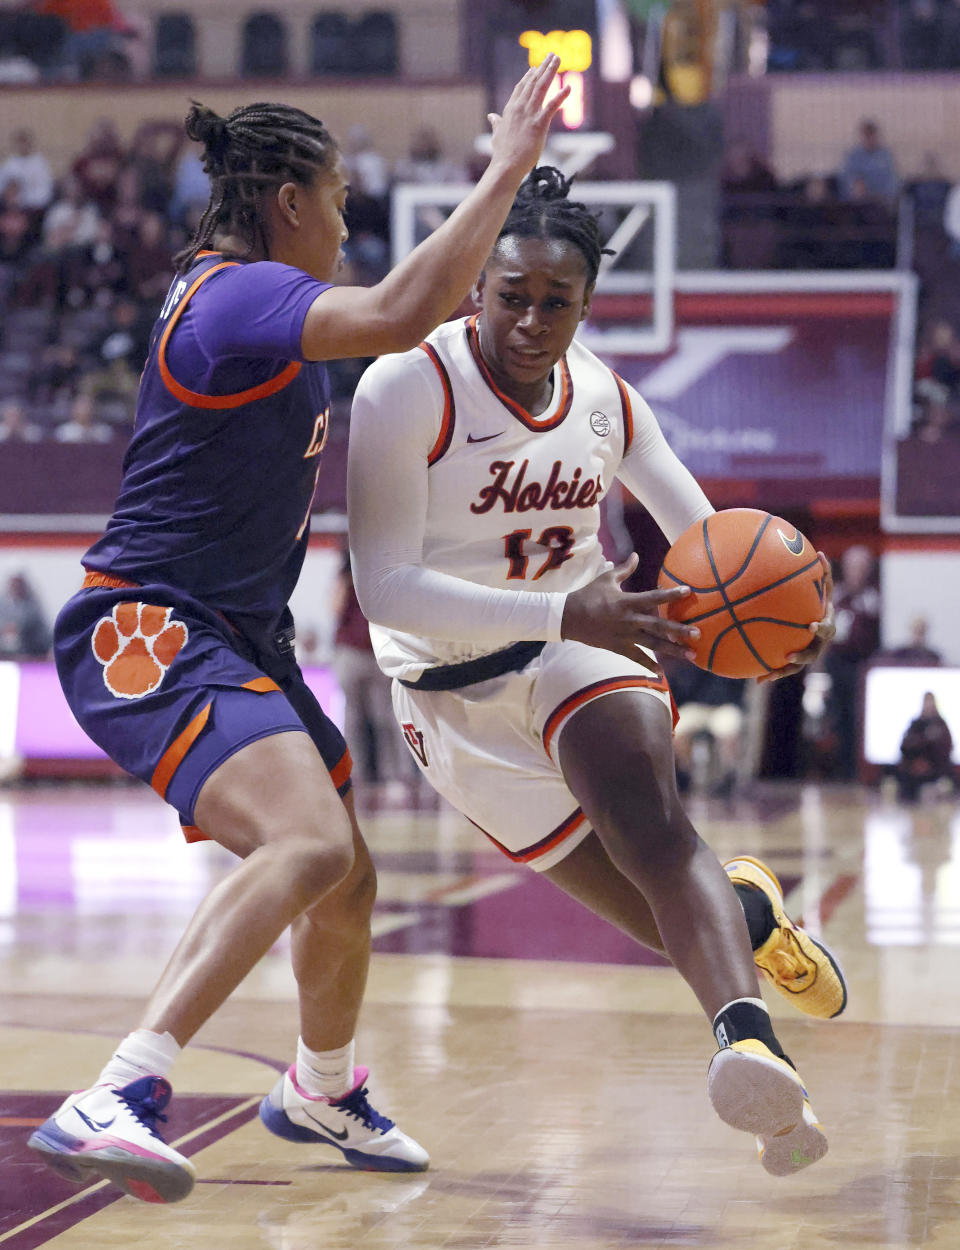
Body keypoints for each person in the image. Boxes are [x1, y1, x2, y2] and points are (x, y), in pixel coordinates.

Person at [28, 60, 571, 1204]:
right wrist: (506, 168)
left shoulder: (242, 301)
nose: (342, 224)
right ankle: (121, 1088)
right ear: (287, 204)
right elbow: (400, 312)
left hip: (234, 632)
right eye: (335, 202)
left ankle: (320, 1086)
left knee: (349, 880)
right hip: (150, 623)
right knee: (310, 846)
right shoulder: (238, 295)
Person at [347, 166, 844, 1179]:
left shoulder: (610, 401)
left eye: (557, 301)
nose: (532, 318)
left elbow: (708, 539)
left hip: (583, 642)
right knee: (671, 918)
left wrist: (786, 618)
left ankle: (754, 1051)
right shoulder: (405, 386)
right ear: (476, 286)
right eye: (512, 294)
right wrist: (562, 607)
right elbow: (385, 590)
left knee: (650, 822)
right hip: (449, 703)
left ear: (586, 304)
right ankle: (746, 909)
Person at [330, 546, 413, 796]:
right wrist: (344, 580)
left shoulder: (386, 577)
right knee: (356, 717)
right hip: (353, 653)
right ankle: (357, 775)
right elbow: (334, 608)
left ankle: (396, 776)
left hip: (380, 653)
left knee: (385, 717)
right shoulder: (347, 576)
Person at [822, 544, 880, 780]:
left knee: (859, 718)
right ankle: (840, 769)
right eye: (851, 567)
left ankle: (859, 771)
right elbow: (824, 635)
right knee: (837, 716)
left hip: (861, 667)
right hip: (836, 664)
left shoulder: (872, 599)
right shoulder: (836, 596)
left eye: (860, 568)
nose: (855, 572)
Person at [896, 691, 955, 802]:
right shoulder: (915, 724)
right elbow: (905, 746)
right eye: (926, 702)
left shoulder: (941, 724)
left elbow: (947, 748)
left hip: (936, 771)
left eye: (930, 702)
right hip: (914, 773)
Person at [0, 571, 51, 657]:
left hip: (32, 650)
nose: (16, 587)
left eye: (18, 584)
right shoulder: (4, 603)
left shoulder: (33, 605)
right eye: (13, 584)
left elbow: (27, 626)